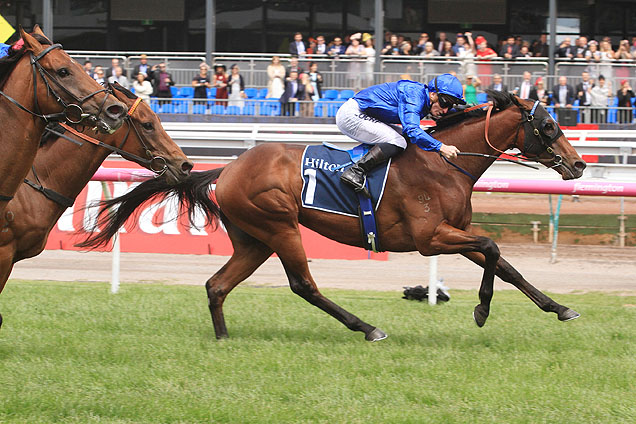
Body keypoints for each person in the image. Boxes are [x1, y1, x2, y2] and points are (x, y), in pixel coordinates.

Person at [335, 73, 465, 194]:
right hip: (352, 115)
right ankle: (355, 171)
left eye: (450, 105)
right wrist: (441, 147)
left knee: (405, 140)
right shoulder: (414, 95)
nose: (445, 109)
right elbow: (412, 130)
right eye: (445, 103)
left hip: (365, 114)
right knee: (398, 141)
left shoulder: (426, 98)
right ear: (432, 94)